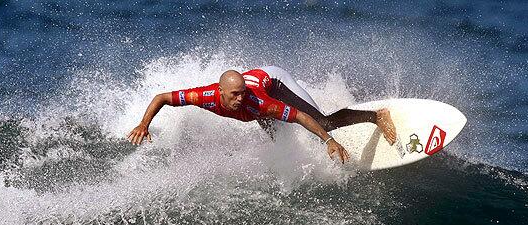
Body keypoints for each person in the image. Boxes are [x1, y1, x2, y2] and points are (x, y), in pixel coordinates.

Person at [128, 66, 396, 163]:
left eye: (242, 93)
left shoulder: (260, 103)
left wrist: (328, 140)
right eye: (234, 95)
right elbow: (162, 97)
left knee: (321, 121)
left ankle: (375, 116)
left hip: (275, 82)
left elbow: (300, 117)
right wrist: (144, 123)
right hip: (256, 98)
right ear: (220, 93)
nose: (240, 98)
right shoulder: (203, 97)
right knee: (278, 141)